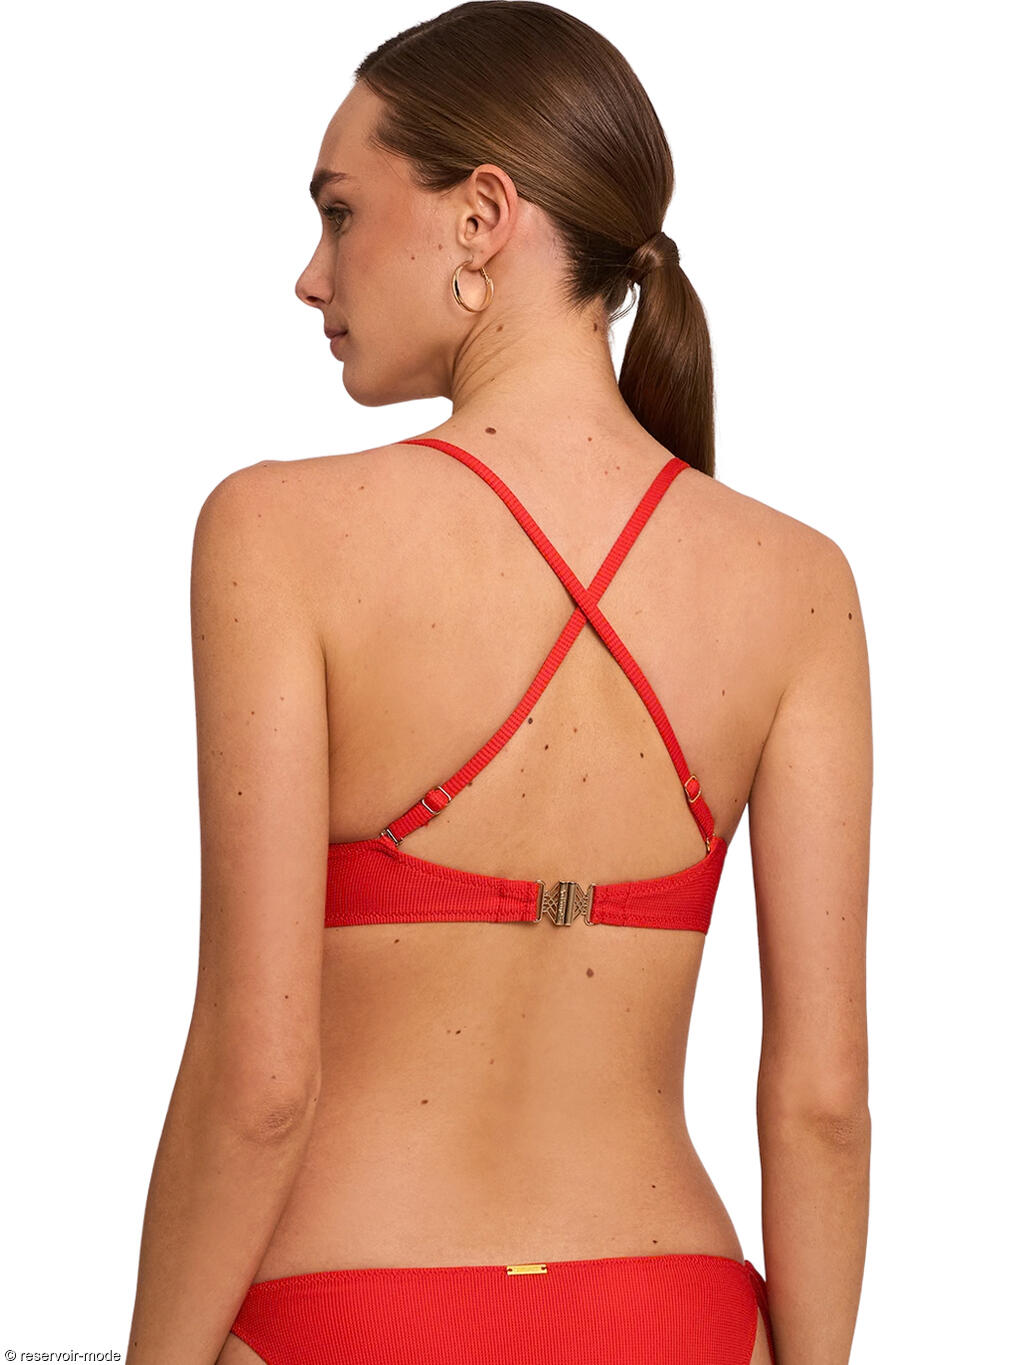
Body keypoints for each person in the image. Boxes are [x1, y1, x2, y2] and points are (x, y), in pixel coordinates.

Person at [125, 3, 871, 1362]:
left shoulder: (276, 533)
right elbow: (822, 1101)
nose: (310, 276)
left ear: (481, 218)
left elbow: (259, 1082)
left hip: (352, 1311)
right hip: (679, 1312)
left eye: (339, 213)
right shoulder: (799, 582)